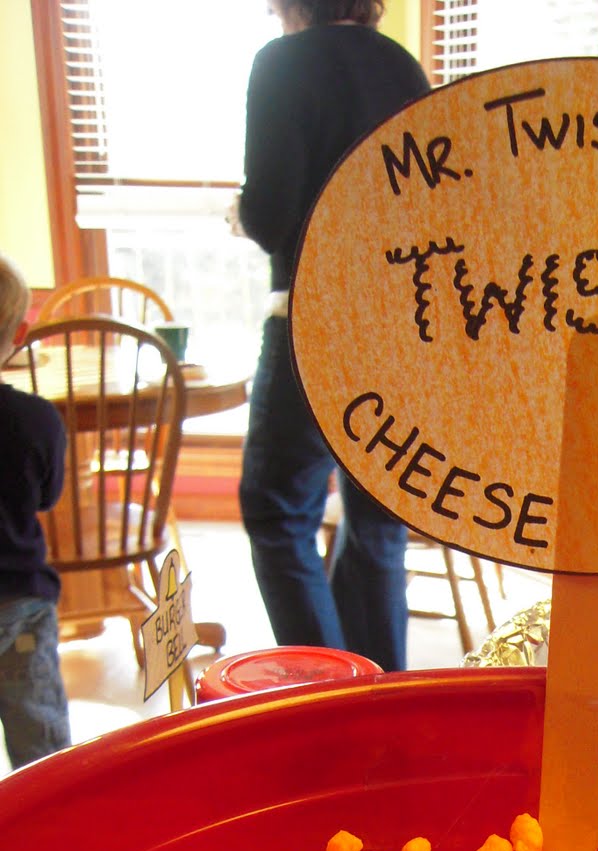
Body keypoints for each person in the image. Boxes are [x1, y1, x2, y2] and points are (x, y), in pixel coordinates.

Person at [236, 0, 429, 672]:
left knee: (276, 511)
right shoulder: (402, 67)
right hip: (399, 323)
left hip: (313, 317)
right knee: (377, 520)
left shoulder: (282, 63)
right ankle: (380, 699)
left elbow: (269, 214)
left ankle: (326, 691)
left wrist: (240, 213)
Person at [0, 254, 71, 769]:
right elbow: (46, 497)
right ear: (20, 334)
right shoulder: (35, 420)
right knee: (39, 741)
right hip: (20, 599)